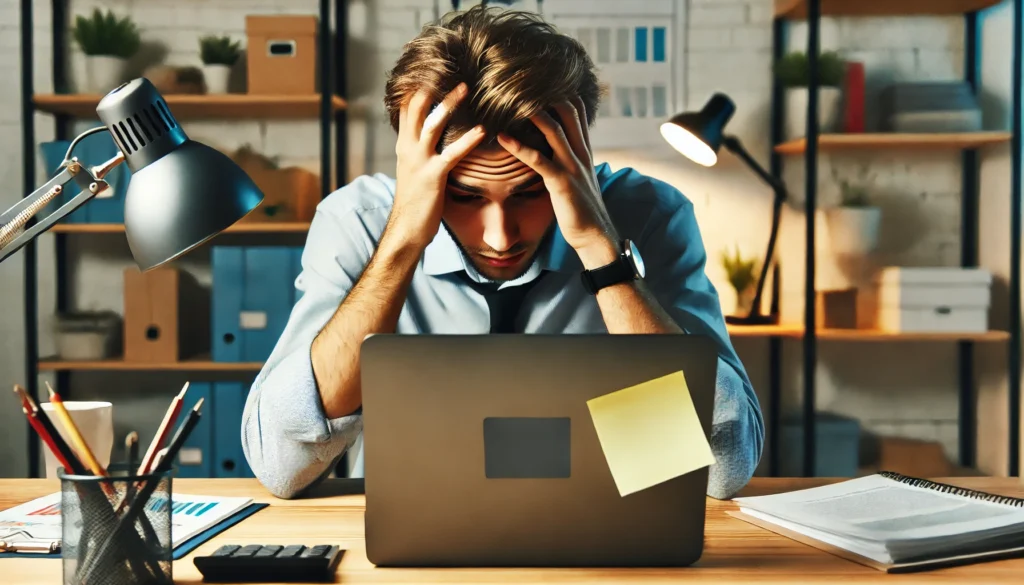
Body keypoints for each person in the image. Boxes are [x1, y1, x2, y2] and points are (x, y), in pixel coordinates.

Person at [241, 5, 763, 501]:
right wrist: (401, 241)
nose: (499, 236)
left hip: (608, 542)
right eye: (465, 195)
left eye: (531, 191)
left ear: (578, 156)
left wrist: (602, 252)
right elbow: (282, 466)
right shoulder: (357, 221)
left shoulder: (649, 215)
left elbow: (723, 471)